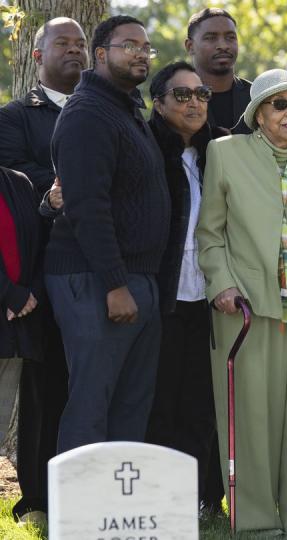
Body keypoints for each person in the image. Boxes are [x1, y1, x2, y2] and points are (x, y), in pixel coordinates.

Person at [197, 68, 287, 533]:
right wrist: (221, 284)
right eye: (281, 105)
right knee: (250, 417)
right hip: (247, 308)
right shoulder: (224, 154)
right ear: (258, 114)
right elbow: (210, 234)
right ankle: (255, 519)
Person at [45, 15, 170, 454]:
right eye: (129, 45)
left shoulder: (124, 110)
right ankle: (76, 516)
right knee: (92, 403)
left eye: (146, 46)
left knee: (130, 405)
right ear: (100, 54)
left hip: (136, 279)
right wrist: (115, 284)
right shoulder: (86, 114)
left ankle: (117, 512)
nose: (141, 53)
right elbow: (87, 208)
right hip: (94, 279)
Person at [0, 16, 86, 524]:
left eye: (81, 44)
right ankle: (36, 497)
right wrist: (73, 180)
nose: (75, 50)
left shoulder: (111, 111)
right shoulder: (15, 116)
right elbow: (15, 180)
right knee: (44, 385)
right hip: (38, 272)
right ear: (37, 56)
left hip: (96, 269)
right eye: (63, 43)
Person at [144, 61, 219, 513]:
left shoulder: (220, 149)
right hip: (160, 294)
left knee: (200, 400)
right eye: (183, 95)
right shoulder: (146, 145)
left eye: (201, 94)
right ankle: (158, 497)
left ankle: (202, 497)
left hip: (209, 295)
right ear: (159, 103)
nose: (194, 103)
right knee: (159, 400)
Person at [0, 167, 42, 521]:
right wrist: (9, 293)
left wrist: (27, 296)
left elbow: (37, 244)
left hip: (16, 324)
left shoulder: (18, 181)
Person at [185, 7, 251, 134]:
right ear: (190, 46)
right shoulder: (178, 99)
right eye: (211, 38)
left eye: (230, 37)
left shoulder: (257, 97)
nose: (223, 46)